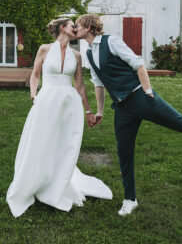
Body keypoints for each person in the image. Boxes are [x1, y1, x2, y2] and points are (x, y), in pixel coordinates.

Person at [74, 14, 182, 216]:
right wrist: (100, 110)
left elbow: (138, 63)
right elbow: (98, 83)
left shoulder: (111, 42)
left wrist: (148, 92)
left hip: (141, 97)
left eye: (78, 25)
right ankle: (130, 199)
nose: (75, 28)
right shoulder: (90, 53)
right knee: (124, 153)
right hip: (122, 108)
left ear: (89, 27)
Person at [6, 18, 112, 218]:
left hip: (69, 105)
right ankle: (37, 180)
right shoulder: (44, 49)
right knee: (42, 142)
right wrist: (33, 95)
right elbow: (35, 75)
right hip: (46, 101)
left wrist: (88, 112)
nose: (76, 28)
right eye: (73, 25)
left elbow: (79, 85)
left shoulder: (77, 55)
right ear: (63, 28)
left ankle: (59, 184)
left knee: (65, 145)